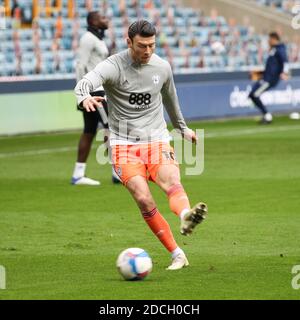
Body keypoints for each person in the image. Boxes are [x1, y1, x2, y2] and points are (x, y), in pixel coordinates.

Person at [74, 20, 208, 270]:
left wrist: (182, 128)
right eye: (141, 46)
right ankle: (177, 253)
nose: (147, 51)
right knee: (143, 198)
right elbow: (87, 80)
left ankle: (185, 216)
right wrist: (83, 96)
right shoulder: (113, 66)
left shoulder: (162, 67)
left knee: (171, 181)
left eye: (152, 45)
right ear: (129, 42)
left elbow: (171, 100)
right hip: (123, 144)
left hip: (157, 139)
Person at [72, 11, 121, 185]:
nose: (106, 20)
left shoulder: (97, 39)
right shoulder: (88, 38)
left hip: (97, 90)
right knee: (112, 127)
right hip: (94, 92)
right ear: (93, 21)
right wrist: (82, 93)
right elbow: (80, 65)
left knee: (89, 130)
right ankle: (117, 172)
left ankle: (78, 174)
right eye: (102, 18)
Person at [249, 32, 289, 124]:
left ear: (274, 39)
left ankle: (267, 116)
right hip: (265, 77)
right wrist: (258, 73)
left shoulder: (279, 49)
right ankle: (266, 115)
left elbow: (285, 61)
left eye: (269, 39)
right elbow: (271, 67)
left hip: (269, 79)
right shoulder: (274, 50)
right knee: (252, 94)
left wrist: (285, 72)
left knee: (254, 94)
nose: (268, 41)